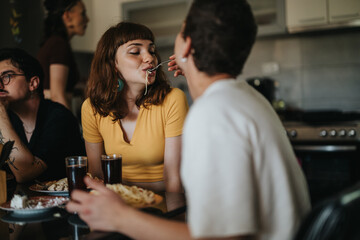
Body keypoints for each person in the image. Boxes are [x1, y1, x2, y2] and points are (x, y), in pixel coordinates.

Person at [66, 0, 311, 239]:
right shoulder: (243, 98)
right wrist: (194, 73)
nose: (150, 57)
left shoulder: (213, 114)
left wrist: (121, 218)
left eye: (180, 31)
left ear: (186, 46)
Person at [81, 22, 188, 193]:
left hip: (163, 205)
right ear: (113, 63)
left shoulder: (173, 99)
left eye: (152, 51)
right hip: (115, 205)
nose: (150, 58)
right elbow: (96, 174)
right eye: (135, 52)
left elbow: (174, 181)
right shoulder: (91, 108)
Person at [0, 48, 85, 183]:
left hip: (66, 201)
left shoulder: (59, 117)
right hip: (21, 202)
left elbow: (26, 173)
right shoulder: (9, 118)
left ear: (33, 83)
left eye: (6, 76)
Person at [37, 0, 89, 110]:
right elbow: (57, 94)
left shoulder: (56, 43)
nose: (87, 19)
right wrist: (71, 125)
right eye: (82, 14)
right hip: (55, 117)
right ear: (67, 17)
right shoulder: (58, 44)